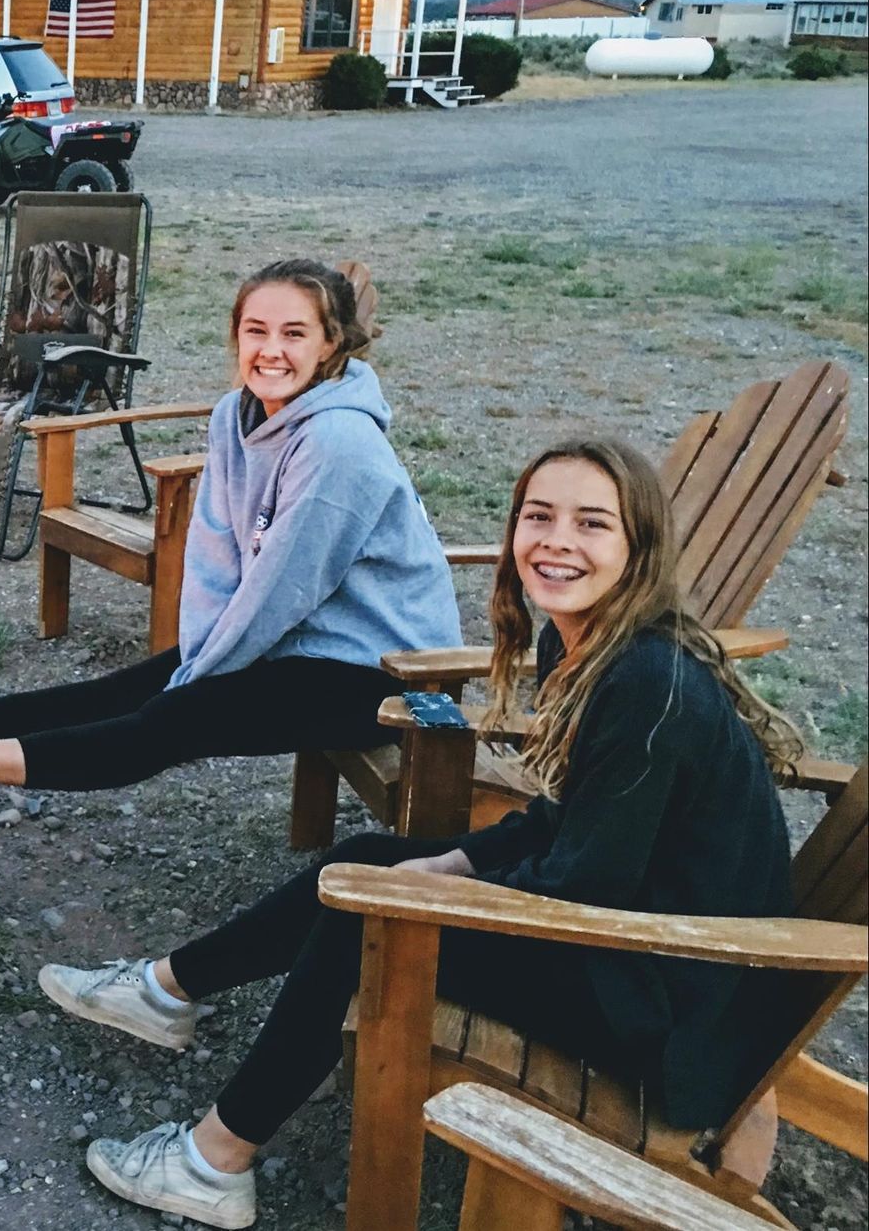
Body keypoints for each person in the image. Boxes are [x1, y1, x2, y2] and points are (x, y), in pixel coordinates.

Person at [43, 438, 803, 1229]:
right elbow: (570, 821)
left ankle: (213, 1161)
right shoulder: (586, 643)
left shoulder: (648, 685)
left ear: (637, 546)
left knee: (366, 920)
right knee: (369, 861)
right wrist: (452, 860)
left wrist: (429, 898)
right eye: (538, 516)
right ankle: (167, 989)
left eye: (592, 523)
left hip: (667, 1009)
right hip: (641, 945)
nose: (557, 542)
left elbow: (585, 886)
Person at [0, 259, 460, 807]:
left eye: (294, 334)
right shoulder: (235, 416)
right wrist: (196, 654)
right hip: (303, 643)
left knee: (179, 714)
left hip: (384, 670)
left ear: (330, 344)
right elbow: (215, 551)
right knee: (132, 686)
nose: (271, 350)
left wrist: (199, 674)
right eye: (255, 331)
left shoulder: (339, 443)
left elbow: (282, 588)